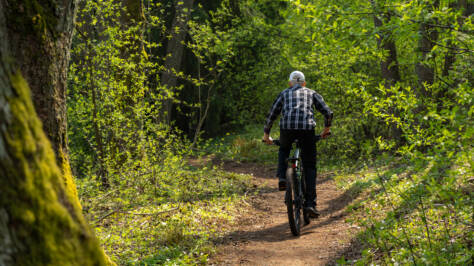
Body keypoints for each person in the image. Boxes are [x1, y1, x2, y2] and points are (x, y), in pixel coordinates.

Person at [263, 71, 333, 218]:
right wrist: (326, 129)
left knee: (284, 149)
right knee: (309, 166)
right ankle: (310, 204)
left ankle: (282, 178)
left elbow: (272, 115)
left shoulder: (284, 94)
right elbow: (327, 112)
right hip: (307, 130)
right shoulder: (312, 93)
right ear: (304, 83)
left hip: (286, 129)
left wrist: (266, 135)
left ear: (290, 83)